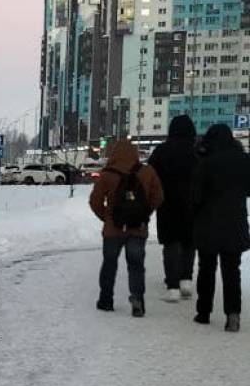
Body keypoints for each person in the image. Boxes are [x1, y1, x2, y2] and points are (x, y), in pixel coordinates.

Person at [89, 139, 164, 317]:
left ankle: (106, 299)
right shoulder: (147, 172)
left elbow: (95, 201)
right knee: (136, 265)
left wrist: (107, 217)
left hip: (113, 229)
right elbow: (158, 196)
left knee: (109, 264)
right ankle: (137, 299)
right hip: (137, 228)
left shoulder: (107, 174)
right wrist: (145, 213)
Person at [191, 123, 250, 332]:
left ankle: (204, 312)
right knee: (232, 271)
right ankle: (233, 315)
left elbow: (196, 195)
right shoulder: (244, 161)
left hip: (208, 224)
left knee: (206, 269)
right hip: (235, 223)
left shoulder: (206, 163)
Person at [147, 115, 199, 302]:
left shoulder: (161, 151)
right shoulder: (197, 152)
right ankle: (186, 279)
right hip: (192, 205)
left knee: (171, 243)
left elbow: (149, 176)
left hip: (167, 204)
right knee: (188, 242)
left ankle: (172, 286)